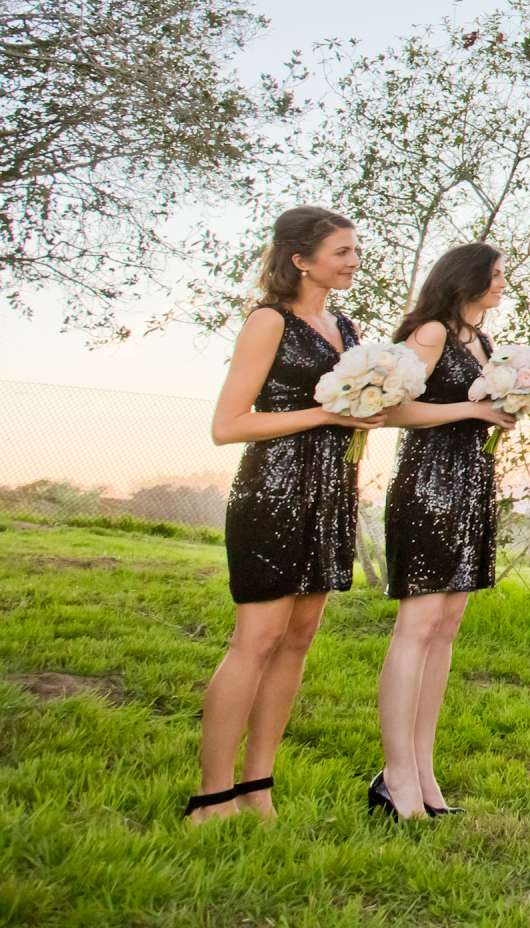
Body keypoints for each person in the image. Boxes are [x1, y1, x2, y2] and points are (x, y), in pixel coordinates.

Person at [192, 206, 379, 823]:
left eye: (355, 251)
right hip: (273, 491)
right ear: (300, 259)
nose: (353, 262)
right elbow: (229, 425)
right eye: (342, 252)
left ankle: (258, 787)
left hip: (330, 493)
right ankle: (212, 794)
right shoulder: (268, 321)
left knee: (298, 640)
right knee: (257, 640)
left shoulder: (346, 328)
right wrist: (327, 415)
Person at [374, 243, 516, 819]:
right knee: (418, 623)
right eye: (497, 275)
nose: (503, 284)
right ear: (468, 278)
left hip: (472, 481)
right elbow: (392, 410)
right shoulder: (429, 332)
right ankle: (395, 773)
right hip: (429, 480)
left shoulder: (481, 342)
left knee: (447, 626)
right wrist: (473, 412)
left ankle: (424, 768)